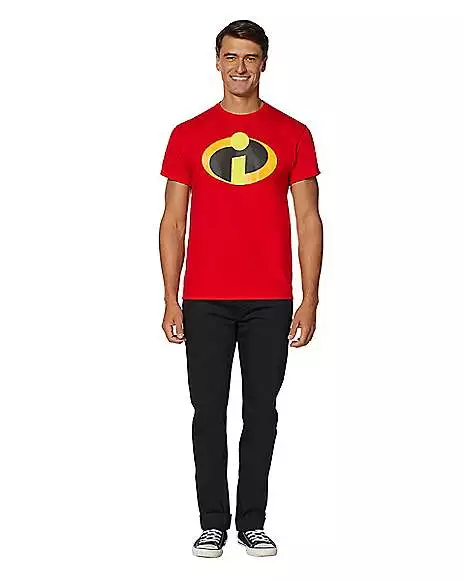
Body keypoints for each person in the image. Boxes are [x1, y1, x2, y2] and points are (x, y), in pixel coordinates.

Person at [159, 19, 323, 558]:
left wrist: (310, 298)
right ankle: (212, 521)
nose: (240, 67)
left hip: (270, 298)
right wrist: (170, 298)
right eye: (230, 56)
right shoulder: (187, 134)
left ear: (264, 63)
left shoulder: (293, 133)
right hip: (204, 297)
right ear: (217, 62)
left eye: (250, 57)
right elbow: (173, 221)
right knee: (207, 413)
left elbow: (308, 219)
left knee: (261, 413)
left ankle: (252, 520)